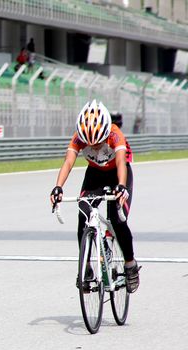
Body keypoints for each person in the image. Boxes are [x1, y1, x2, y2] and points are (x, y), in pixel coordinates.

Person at [50, 100, 140, 293]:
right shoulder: (78, 137)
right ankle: (87, 267)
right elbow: (68, 162)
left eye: (98, 143)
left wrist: (121, 186)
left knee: (117, 220)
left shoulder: (115, 134)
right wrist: (58, 187)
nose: (95, 147)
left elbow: (121, 163)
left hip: (118, 174)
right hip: (95, 175)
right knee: (83, 215)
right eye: (90, 144)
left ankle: (130, 264)